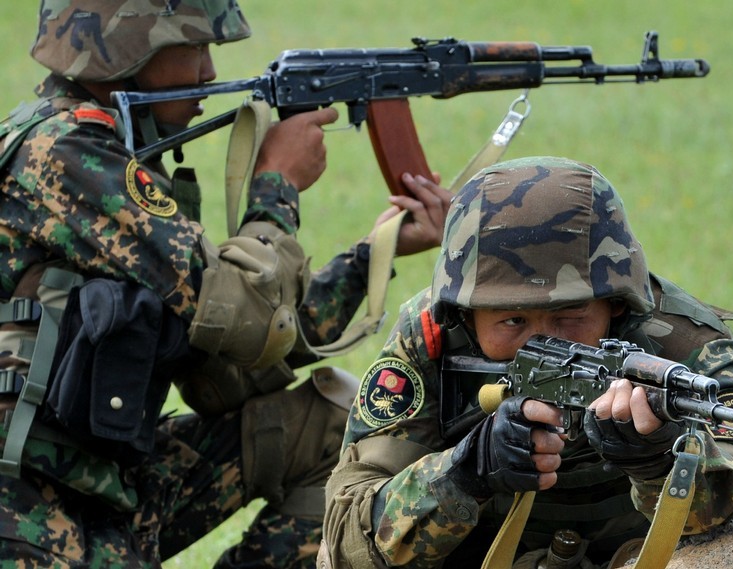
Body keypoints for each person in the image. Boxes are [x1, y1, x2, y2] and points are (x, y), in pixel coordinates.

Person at [0, 1, 451, 567]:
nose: (210, 72)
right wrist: (276, 186)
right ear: (129, 47)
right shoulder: (67, 156)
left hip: (97, 484)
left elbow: (241, 353)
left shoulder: (102, 153)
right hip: (27, 506)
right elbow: (245, 318)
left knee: (331, 429)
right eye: (194, 47)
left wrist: (372, 255)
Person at [319, 155, 733, 568]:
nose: (544, 340)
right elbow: (344, 544)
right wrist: (466, 471)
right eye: (513, 321)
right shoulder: (432, 341)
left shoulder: (690, 351)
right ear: (466, 314)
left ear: (617, 305)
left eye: (570, 315)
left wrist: (666, 464)